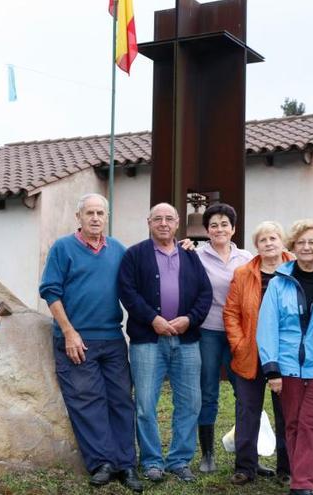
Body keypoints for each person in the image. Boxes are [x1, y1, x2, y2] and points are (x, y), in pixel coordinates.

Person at [39, 193, 143, 492]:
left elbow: (146, 273)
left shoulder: (119, 250)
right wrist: (69, 332)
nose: (95, 218)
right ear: (79, 217)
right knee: (88, 402)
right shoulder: (63, 248)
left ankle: (126, 464)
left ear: (106, 216)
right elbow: (50, 292)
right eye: (89, 213)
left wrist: (185, 248)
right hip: (76, 339)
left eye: (100, 213)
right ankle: (102, 463)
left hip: (112, 338)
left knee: (122, 400)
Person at [118, 203, 212, 483]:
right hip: (147, 341)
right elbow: (127, 292)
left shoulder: (190, 255)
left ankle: (180, 460)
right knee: (146, 404)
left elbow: (205, 294)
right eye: (157, 218)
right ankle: (151, 461)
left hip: (186, 340)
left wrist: (189, 319)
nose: (163, 223)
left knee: (190, 403)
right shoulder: (134, 255)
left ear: (178, 222)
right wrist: (153, 319)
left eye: (168, 218)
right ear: (148, 222)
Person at [257, 220, 313, 495]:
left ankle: (302, 485)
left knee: (310, 423)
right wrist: (271, 368)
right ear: (293, 247)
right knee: (293, 423)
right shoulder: (278, 282)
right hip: (286, 366)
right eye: (301, 242)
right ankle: (300, 479)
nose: (307, 247)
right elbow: (267, 326)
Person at [223, 221, 293, 485]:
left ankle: (286, 469)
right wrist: (239, 343)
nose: (269, 243)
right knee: (247, 412)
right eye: (263, 240)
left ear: (282, 241)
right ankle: (245, 468)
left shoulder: (295, 270)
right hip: (249, 353)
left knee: (286, 413)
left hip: (285, 355)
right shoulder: (243, 273)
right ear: (257, 245)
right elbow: (231, 312)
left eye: (273, 238)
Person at [192, 202, 252, 473]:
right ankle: (207, 455)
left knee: (245, 391)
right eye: (213, 225)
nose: (219, 229)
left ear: (233, 228)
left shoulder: (247, 258)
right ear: (206, 230)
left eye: (224, 224)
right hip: (208, 331)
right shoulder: (196, 256)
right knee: (208, 391)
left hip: (239, 333)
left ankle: (247, 453)